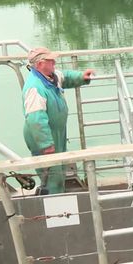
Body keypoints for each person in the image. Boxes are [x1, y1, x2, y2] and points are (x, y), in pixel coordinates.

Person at [22, 47, 94, 194]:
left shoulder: (50, 77)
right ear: (41, 64)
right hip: (43, 137)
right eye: (51, 60)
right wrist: (46, 144)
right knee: (51, 174)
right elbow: (36, 120)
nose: (54, 62)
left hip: (56, 133)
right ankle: (53, 205)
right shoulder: (35, 88)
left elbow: (65, 76)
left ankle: (58, 198)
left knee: (59, 169)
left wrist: (82, 76)